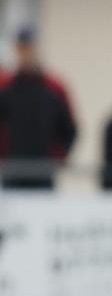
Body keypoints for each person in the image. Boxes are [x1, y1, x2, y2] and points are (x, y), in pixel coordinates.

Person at [0, 27, 77, 188]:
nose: (26, 54)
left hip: (43, 172)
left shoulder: (54, 87)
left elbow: (69, 129)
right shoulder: (5, 87)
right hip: (13, 171)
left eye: (30, 48)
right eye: (22, 48)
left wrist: (56, 159)